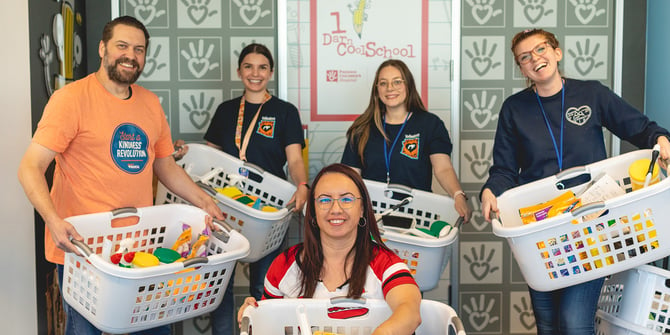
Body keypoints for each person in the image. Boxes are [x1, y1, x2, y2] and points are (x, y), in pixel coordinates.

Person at [17, 16, 223, 335]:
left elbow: (166, 166)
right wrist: (53, 220)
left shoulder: (150, 104)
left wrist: (204, 201)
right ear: (103, 48)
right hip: (83, 249)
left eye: (139, 50)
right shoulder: (70, 100)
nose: (131, 55)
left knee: (152, 329)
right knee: (84, 330)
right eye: (122, 46)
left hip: (141, 249)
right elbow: (30, 167)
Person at [480, 29, 670, 334]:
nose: (535, 59)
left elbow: (639, 128)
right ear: (521, 68)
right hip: (541, 231)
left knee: (574, 321)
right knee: (548, 324)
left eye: (541, 49)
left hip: (591, 225)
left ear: (557, 52)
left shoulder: (592, 94)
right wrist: (491, 190)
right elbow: (503, 168)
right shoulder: (514, 110)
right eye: (524, 57)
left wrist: (659, 138)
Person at [186, 43, 309, 335]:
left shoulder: (285, 112)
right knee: (220, 285)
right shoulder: (226, 111)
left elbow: (294, 159)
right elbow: (209, 157)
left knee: (263, 285)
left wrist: (303, 185)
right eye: (249, 67)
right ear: (240, 71)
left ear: (271, 72)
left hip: (266, 213)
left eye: (262, 67)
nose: (255, 73)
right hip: (224, 208)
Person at [237, 163, 422, 335]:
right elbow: (269, 321)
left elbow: (410, 313)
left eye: (347, 199)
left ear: (363, 209)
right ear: (313, 211)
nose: (336, 209)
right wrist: (253, 312)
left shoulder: (385, 264)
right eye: (324, 200)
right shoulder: (285, 265)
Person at [341, 59, 472, 223]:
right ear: (377, 90)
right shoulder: (362, 127)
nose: (390, 88)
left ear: (408, 85)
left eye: (397, 82)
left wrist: (457, 194)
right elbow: (350, 178)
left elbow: (443, 168)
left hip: (417, 217)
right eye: (383, 83)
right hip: (371, 218)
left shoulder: (430, 124)